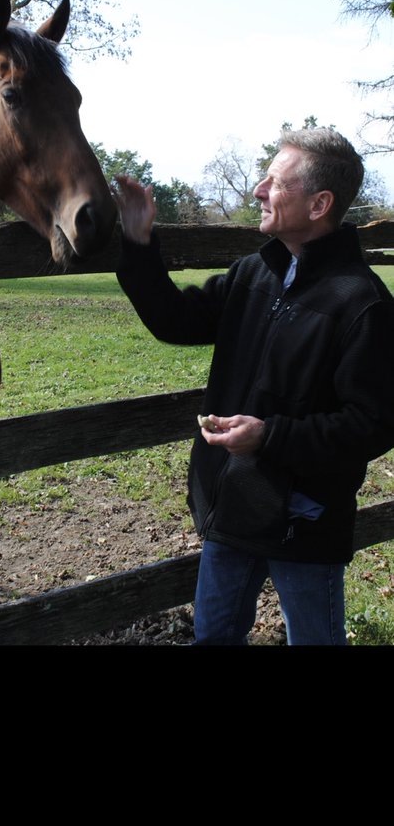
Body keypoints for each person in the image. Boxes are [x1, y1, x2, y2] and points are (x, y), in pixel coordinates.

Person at [114, 128, 394, 646]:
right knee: (213, 637)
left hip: (305, 520)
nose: (257, 191)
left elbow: (371, 424)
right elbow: (176, 320)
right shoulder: (253, 274)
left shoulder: (362, 303)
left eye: (274, 181)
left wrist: (270, 436)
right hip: (234, 502)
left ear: (319, 203)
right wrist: (136, 244)